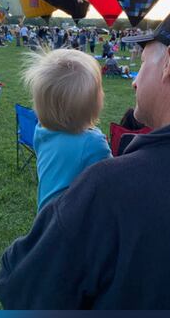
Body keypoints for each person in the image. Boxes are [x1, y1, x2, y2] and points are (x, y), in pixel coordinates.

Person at [0, 5, 170, 309]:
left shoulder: (109, 187)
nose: (134, 81)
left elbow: (18, 288)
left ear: (168, 61)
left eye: (144, 62)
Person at [20, 48, 112, 212]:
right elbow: (114, 179)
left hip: (46, 218)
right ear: (93, 104)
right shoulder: (93, 144)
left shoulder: (42, 132)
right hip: (71, 224)